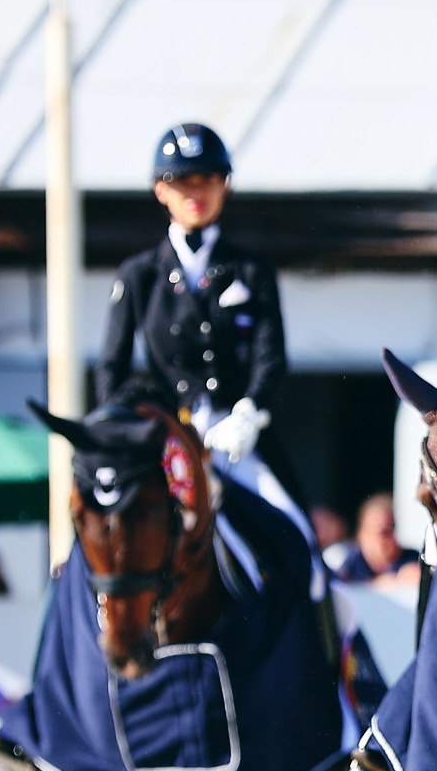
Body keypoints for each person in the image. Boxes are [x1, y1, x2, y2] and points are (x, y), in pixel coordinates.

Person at [96, 123, 312, 544]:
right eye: (182, 181)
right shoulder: (139, 274)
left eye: (207, 180)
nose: (195, 193)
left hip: (238, 436)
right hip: (166, 437)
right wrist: (132, 428)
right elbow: (111, 368)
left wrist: (250, 413)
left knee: (299, 534)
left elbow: (271, 356)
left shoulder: (252, 270)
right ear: (160, 189)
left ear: (225, 185)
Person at [327, 493, 419, 587]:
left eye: (393, 528)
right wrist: (388, 583)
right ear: (363, 534)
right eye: (384, 532)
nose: (392, 537)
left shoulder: (412, 558)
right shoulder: (350, 565)